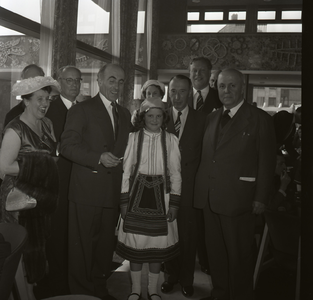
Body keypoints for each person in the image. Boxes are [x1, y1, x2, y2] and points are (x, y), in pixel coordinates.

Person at [194, 68, 276, 300]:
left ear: (242, 88)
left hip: (240, 199)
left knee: (239, 256)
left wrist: (260, 197)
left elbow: (267, 162)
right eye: (222, 86)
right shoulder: (211, 118)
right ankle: (220, 293)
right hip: (210, 198)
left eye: (232, 85)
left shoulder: (259, 119)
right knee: (216, 254)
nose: (226, 90)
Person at [60, 63, 132, 300]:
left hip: (111, 193)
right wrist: (97, 158)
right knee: (81, 249)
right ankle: (80, 294)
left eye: (120, 81)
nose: (116, 86)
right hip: (86, 192)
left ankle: (100, 290)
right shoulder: (82, 109)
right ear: (99, 81)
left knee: (103, 249)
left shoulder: (124, 113)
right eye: (112, 80)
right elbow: (67, 147)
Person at [116, 97, 181, 300]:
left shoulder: (171, 140)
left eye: (158, 116)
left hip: (162, 199)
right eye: (150, 116)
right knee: (136, 247)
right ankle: (136, 289)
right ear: (143, 118)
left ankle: (153, 290)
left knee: (156, 249)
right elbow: (126, 171)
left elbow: (176, 173)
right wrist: (124, 201)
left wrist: (175, 204)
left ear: (164, 118)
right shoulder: (133, 138)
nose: (154, 120)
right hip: (137, 197)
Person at [0, 76, 60, 289]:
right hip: (18, 199)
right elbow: (4, 167)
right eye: (40, 99)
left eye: (48, 99)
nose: (45, 104)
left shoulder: (47, 124)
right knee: (21, 255)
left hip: (39, 198)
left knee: (37, 251)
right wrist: (43, 163)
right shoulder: (14, 129)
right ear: (26, 101)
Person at [161, 75, 206, 297]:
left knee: (188, 237)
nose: (177, 97)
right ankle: (170, 276)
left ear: (190, 93)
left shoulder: (203, 119)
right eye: (173, 92)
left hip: (189, 190)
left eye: (181, 92)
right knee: (168, 235)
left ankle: (187, 280)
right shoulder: (158, 117)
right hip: (164, 189)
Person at [43, 65, 82, 296]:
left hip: (80, 183)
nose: (75, 85)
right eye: (69, 80)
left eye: (78, 80)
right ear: (59, 82)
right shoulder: (49, 110)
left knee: (74, 237)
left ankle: (72, 282)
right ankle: (56, 285)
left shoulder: (85, 109)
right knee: (57, 236)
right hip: (56, 184)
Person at [189, 57, 222, 276]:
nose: (197, 74)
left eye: (202, 71)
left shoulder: (220, 97)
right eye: (194, 71)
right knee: (185, 221)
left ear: (210, 74)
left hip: (209, 169)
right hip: (183, 168)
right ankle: (182, 265)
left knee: (205, 222)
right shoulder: (179, 95)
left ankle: (208, 262)